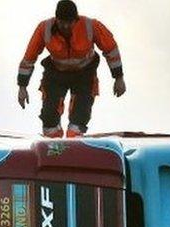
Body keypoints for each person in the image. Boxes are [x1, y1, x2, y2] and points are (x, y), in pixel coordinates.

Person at [17, 0, 126, 137]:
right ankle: (53, 146)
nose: (66, 26)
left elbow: (111, 50)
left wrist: (118, 78)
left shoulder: (91, 26)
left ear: (76, 19)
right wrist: (22, 86)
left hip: (84, 75)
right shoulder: (44, 28)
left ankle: (74, 143)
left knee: (80, 116)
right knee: (49, 116)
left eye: (70, 22)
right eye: (62, 22)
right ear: (56, 19)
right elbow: (29, 58)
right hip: (55, 75)